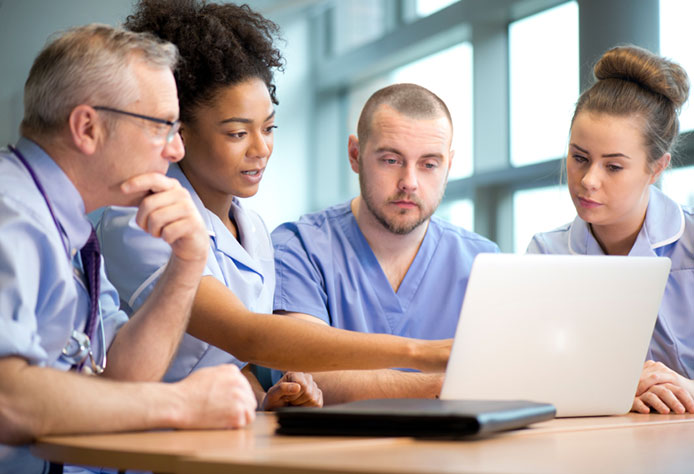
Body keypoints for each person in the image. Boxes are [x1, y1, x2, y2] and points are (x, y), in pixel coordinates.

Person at [96, 0, 450, 410]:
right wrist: (422, 354)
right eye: (236, 133)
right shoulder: (140, 218)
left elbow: (229, 363)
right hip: (135, 446)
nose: (261, 149)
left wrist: (268, 399)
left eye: (268, 128)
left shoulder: (254, 230)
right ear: (180, 133)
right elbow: (245, 334)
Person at [0, 24, 258, 473]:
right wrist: (180, 403)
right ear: (87, 127)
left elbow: (121, 378)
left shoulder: (71, 229)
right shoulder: (11, 216)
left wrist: (188, 262)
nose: (176, 149)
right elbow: (7, 401)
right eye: (163, 126)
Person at [271, 83, 500, 402]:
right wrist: (443, 387)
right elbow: (304, 374)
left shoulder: (485, 262)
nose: (410, 182)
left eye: (429, 164)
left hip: (454, 448)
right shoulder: (298, 248)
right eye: (391, 160)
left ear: (448, 165)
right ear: (355, 155)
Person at [526, 45, 694, 415]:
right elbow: (532, 379)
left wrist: (687, 389)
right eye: (579, 158)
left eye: (613, 167)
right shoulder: (545, 255)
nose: (588, 181)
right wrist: (614, 392)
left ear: (657, 168)